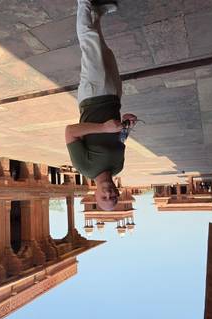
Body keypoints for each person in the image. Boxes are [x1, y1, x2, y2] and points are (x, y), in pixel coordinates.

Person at [65, 0, 137, 211]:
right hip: (113, 99)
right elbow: (120, 140)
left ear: (95, 196)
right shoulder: (118, 166)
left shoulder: (85, 167)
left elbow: (70, 132)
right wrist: (126, 126)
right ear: (118, 193)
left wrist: (102, 127)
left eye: (104, 198)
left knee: (89, 43)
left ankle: (84, 3)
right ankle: (96, 14)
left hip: (93, 97)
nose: (109, 194)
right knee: (104, 51)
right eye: (114, 197)